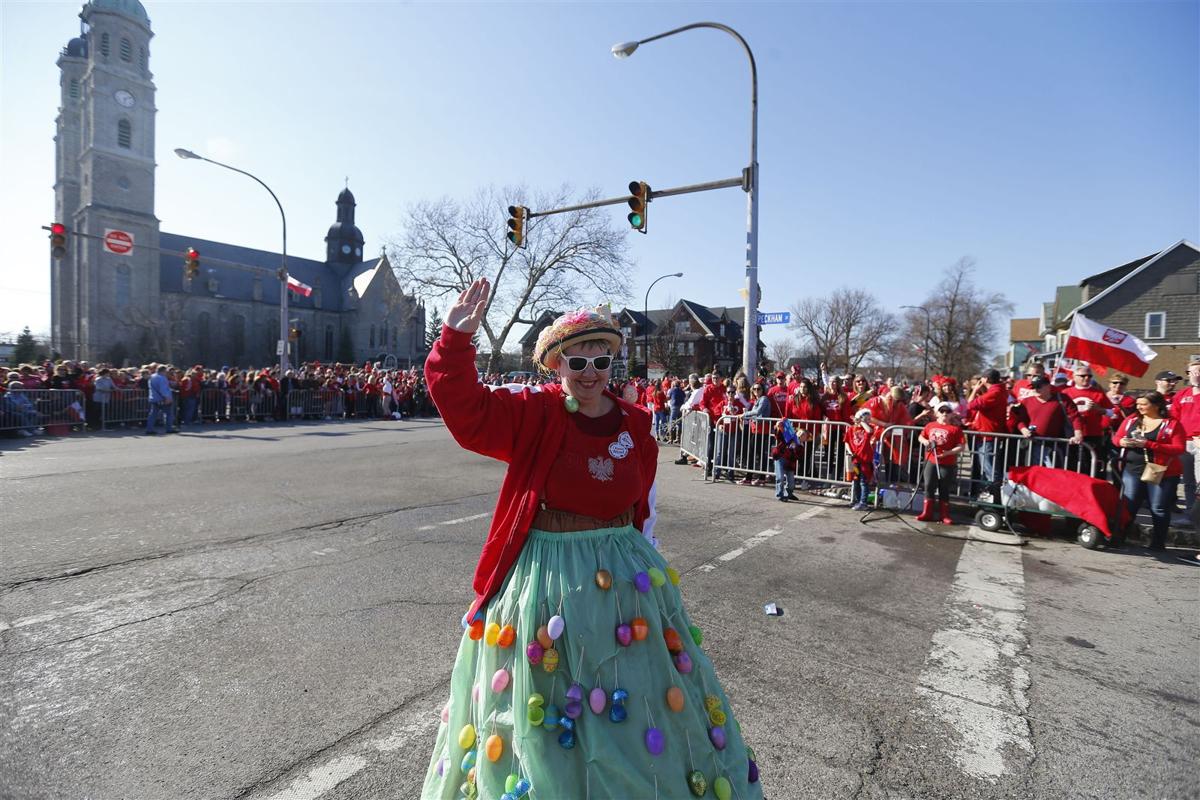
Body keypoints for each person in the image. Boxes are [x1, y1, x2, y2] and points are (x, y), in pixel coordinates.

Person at [421, 279, 761, 799]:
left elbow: (643, 504)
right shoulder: (534, 412)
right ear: (556, 365)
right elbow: (467, 411)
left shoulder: (637, 423)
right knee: (548, 695)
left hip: (624, 580)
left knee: (632, 694)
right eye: (576, 363)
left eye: (600, 362)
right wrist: (454, 340)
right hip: (546, 575)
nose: (589, 374)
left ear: (612, 365)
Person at [1113, 392, 1185, 551]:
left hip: (1162, 471)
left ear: (1157, 405)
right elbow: (1116, 438)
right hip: (1133, 469)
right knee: (1129, 504)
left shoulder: (1171, 424)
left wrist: (1149, 444)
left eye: (1143, 404)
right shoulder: (1131, 419)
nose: (1139, 407)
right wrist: (1122, 441)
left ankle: (1158, 543)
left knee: (1158, 507)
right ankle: (1119, 537)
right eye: (1138, 404)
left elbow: (1179, 448)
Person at [1015, 376, 1083, 467]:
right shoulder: (1026, 401)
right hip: (1033, 444)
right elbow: (1020, 420)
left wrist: (1078, 433)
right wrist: (1024, 430)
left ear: (1048, 386)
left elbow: (1075, 417)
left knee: (1054, 473)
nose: (1036, 389)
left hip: (1056, 444)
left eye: (1038, 386)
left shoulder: (1062, 399)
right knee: (1034, 472)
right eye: (1033, 387)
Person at [916, 402, 965, 523]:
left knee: (944, 488)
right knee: (928, 485)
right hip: (931, 460)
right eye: (942, 411)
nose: (944, 414)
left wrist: (948, 453)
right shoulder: (930, 425)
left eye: (947, 411)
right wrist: (926, 442)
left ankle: (944, 515)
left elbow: (961, 446)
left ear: (951, 414)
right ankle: (927, 512)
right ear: (937, 413)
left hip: (947, 462)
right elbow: (921, 437)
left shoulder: (956, 429)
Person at [1061, 364, 1112, 477]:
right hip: (1071, 434)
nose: (1086, 378)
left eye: (1089, 376)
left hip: (1092, 434)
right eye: (1082, 376)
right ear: (1074, 377)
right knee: (1071, 466)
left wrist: (1098, 409)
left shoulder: (1098, 392)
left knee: (1090, 466)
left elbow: (1112, 412)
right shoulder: (1066, 392)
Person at [1171, 360, 1200, 515]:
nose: (1196, 375)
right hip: (1185, 443)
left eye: (1199, 371)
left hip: (1199, 442)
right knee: (1188, 482)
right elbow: (1174, 419)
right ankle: (1190, 513)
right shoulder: (1181, 395)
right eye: (1192, 372)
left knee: (1199, 481)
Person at [845, 407, 877, 510]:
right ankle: (857, 500)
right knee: (856, 480)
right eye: (866, 419)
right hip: (856, 460)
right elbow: (846, 442)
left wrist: (862, 422)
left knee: (864, 481)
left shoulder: (868, 427)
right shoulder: (851, 429)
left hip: (865, 460)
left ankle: (863, 502)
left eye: (868, 419)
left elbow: (869, 431)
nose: (868, 421)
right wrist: (850, 452)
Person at [144, 364, 175, 435]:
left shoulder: (152, 377)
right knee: (169, 414)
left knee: (152, 414)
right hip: (163, 399)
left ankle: (149, 429)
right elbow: (163, 389)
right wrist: (167, 397)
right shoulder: (162, 378)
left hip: (154, 398)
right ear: (164, 371)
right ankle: (169, 428)